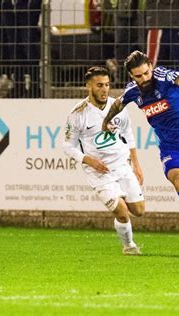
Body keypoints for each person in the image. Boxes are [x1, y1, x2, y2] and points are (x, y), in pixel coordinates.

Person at [102, 50, 179, 247]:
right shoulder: (133, 92)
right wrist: (106, 122)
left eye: (147, 73)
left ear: (151, 68)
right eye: (138, 76)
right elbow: (118, 103)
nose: (144, 78)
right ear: (131, 76)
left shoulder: (164, 76)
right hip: (172, 148)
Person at [63, 66, 146, 255]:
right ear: (88, 87)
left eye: (107, 85)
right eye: (99, 85)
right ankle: (129, 246)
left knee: (139, 211)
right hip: (99, 172)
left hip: (122, 166)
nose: (104, 89)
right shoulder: (78, 113)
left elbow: (128, 134)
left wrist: (136, 164)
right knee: (122, 212)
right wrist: (88, 160)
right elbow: (68, 146)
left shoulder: (117, 106)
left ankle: (121, 196)